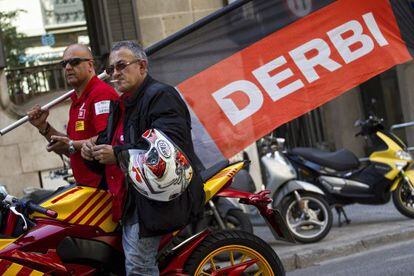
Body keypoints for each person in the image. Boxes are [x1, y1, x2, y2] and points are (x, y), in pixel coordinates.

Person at [81, 40, 205, 275]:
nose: (116, 73)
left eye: (121, 65)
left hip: (155, 200)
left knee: (138, 266)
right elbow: (109, 146)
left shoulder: (161, 96)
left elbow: (169, 149)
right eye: (111, 69)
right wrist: (92, 152)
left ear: (142, 67)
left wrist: (116, 155)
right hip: (129, 199)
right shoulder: (119, 105)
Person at [28, 44, 119, 187]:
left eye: (75, 62)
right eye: (64, 64)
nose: (68, 67)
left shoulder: (101, 94)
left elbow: (107, 138)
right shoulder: (77, 100)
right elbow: (71, 149)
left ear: (90, 65)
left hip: (104, 188)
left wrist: (71, 144)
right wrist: (43, 127)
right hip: (85, 187)